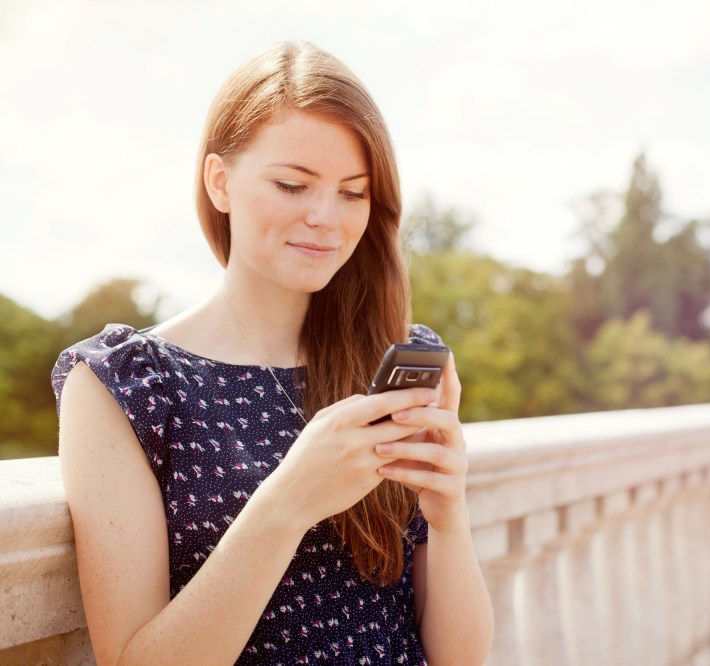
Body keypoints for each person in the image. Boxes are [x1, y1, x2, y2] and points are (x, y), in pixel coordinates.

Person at [52, 41, 493, 665]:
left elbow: (458, 659)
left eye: (353, 193)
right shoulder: (125, 385)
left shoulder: (392, 360)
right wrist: (288, 503)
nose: (326, 218)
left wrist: (449, 516)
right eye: (293, 185)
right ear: (220, 182)